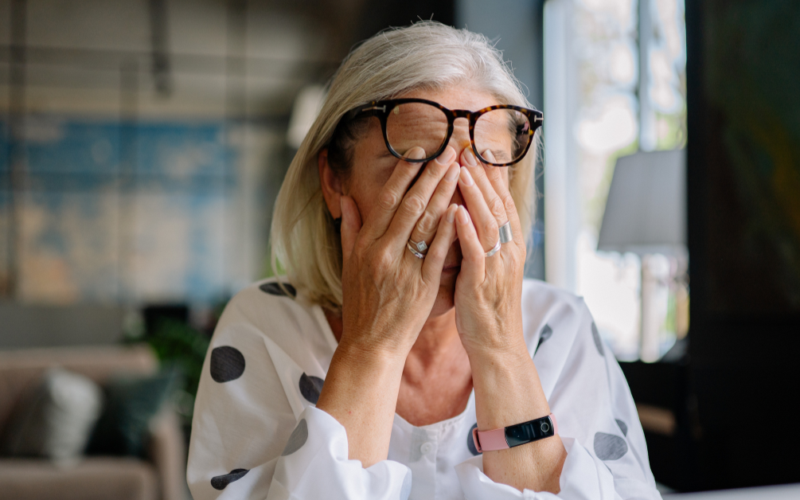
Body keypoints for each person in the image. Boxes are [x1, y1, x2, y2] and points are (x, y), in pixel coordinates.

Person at [187, 21, 661, 500]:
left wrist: (500, 348)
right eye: (416, 168)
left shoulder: (561, 330)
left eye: (486, 167)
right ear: (334, 182)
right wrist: (374, 345)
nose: (451, 214)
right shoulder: (266, 328)